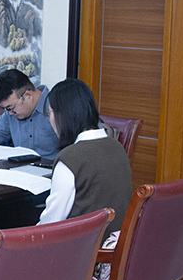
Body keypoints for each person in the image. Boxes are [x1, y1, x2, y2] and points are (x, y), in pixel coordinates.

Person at [37, 78, 132, 236]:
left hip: (84, 247)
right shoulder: (118, 147)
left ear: (63, 115)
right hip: (117, 244)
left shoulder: (69, 159)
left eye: (50, 112)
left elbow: (51, 222)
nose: (50, 120)